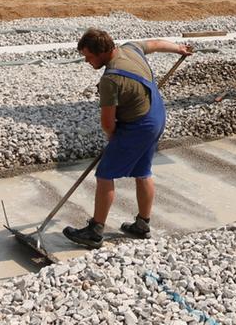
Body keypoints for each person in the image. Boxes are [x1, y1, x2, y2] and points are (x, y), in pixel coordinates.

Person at [62, 29, 192, 248]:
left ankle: (94, 231)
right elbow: (156, 43)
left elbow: (107, 123)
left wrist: (116, 139)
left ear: (101, 52)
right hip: (156, 116)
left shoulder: (110, 80)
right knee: (142, 172)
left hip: (139, 125)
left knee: (105, 174)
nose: (86, 61)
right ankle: (142, 224)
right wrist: (179, 49)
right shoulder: (131, 48)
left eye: (89, 56)